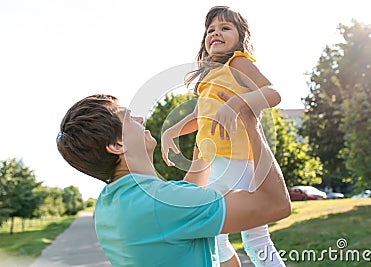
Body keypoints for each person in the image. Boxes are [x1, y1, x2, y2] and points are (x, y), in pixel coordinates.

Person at [56, 93, 291, 267]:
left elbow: (180, 205)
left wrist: (204, 151)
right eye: (128, 118)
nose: (139, 119)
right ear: (118, 145)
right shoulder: (164, 204)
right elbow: (275, 204)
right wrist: (252, 123)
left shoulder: (110, 203)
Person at [161, 6, 284, 267]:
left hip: (233, 160)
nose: (216, 33)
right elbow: (198, 115)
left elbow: (272, 94)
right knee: (254, 237)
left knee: (208, 230)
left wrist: (237, 103)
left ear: (240, 37)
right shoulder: (211, 75)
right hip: (232, 164)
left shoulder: (238, 62)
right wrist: (172, 130)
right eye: (210, 30)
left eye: (225, 28)